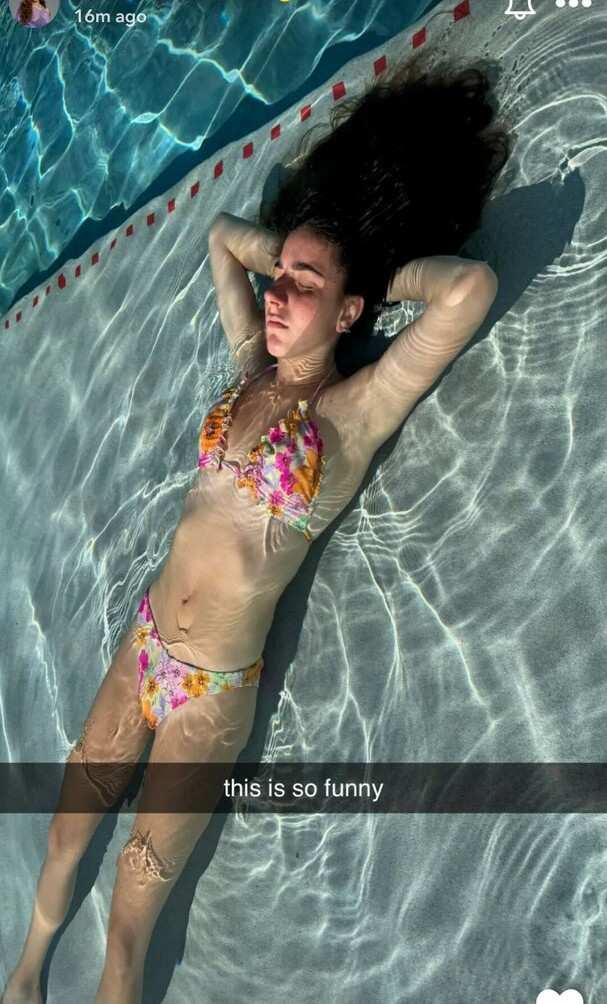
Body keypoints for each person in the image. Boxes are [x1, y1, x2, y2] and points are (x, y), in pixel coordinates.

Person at [1, 50, 512, 1004]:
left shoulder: (350, 417)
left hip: (210, 694)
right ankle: (26, 974)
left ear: (351, 307)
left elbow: (466, 291)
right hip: (143, 645)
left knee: (129, 918)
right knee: (68, 833)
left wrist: (367, 272)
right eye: (279, 279)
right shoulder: (250, 370)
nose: (275, 294)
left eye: (302, 285)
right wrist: (303, 260)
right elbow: (220, 238)